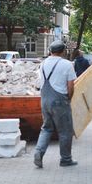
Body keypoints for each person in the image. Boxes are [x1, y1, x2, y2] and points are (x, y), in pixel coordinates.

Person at [33, 40, 77, 168]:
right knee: (65, 131)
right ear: (63, 51)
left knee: (46, 128)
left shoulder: (43, 63)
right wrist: (68, 98)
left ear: (50, 51)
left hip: (45, 100)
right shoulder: (67, 64)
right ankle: (66, 159)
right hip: (60, 101)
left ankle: (38, 152)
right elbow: (71, 86)